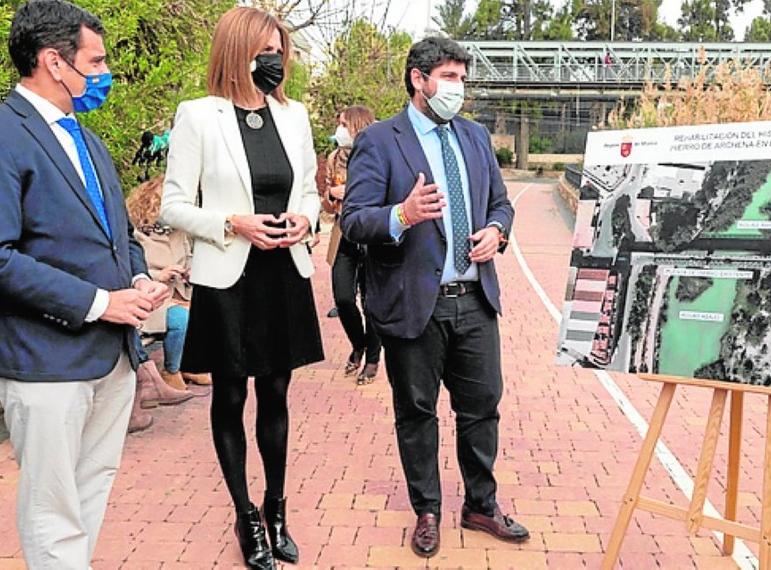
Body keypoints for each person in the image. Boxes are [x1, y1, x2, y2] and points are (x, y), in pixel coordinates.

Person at [0, 2, 170, 568]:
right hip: (43, 357)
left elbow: (117, 234)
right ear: (54, 62)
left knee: (90, 490)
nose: (103, 72)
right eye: (96, 60)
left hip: (110, 357)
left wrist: (138, 278)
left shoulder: (87, 141)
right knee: (53, 507)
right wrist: (99, 303)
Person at [341, 37, 525, 559]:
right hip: (412, 303)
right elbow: (354, 218)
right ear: (418, 79)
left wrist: (497, 231)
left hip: (474, 299)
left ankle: (481, 504)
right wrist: (402, 214)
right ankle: (427, 510)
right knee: (417, 411)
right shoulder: (380, 140)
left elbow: (501, 204)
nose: (457, 88)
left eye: (462, 79)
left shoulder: (474, 136)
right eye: (448, 77)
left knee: (482, 407)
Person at [159, 7, 320, 569]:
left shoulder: (294, 115)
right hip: (228, 275)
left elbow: (311, 192)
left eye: (279, 51)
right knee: (230, 396)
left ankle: (277, 508)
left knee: (276, 394)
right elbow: (173, 204)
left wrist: (305, 219)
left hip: (284, 272)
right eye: (264, 52)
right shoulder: (198, 116)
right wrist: (233, 223)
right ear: (237, 53)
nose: (274, 61)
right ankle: (245, 514)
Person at [127, 174, 212, 388]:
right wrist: (159, 275)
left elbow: (188, 257)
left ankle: (190, 365)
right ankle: (171, 370)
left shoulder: (179, 232)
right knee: (181, 320)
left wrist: (190, 272)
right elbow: (130, 270)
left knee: (208, 309)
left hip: (180, 292)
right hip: (153, 299)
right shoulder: (136, 235)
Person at [322, 105, 382, 385]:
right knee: (344, 297)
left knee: (373, 302)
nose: (340, 129)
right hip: (343, 232)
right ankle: (358, 344)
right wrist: (331, 196)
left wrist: (350, 191)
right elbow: (325, 200)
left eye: (344, 124)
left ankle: (372, 358)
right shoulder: (334, 157)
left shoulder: (379, 152)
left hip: (372, 235)